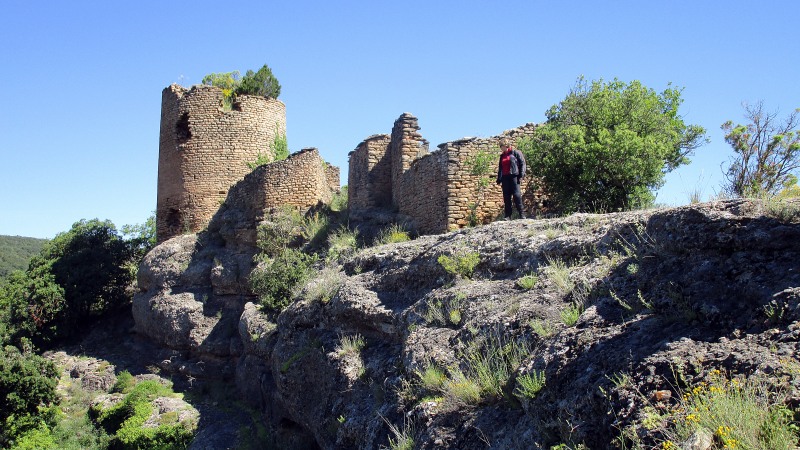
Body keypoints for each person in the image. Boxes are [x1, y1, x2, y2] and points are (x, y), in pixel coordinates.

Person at [496, 137, 526, 219]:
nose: (501, 148)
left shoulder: (515, 153)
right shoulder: (502, 156)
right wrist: (499, 178)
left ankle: (522, 214)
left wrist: (521, 175)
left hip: (514, 176)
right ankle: (508, 216)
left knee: (517, 195)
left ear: (506, 145)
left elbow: (522, 163)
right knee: (506, 196)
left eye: (501, 146)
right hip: (505, 178)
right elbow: (500, 168)